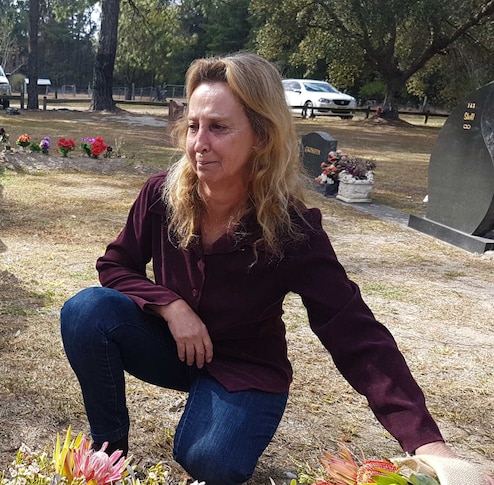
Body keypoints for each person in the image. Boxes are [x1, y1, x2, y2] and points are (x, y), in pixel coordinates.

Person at [59, 53, 490, 484]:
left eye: (219, 127)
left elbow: (356, 334)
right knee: (86, 311)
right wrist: (171, 306)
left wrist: (425, 441)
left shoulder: (293, 230)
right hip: (174, 347)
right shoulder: (160, 194)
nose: (199, 143)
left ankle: (219, 416)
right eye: (193, 125)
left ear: (261, 136)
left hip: (245, 369)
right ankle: (107, 454)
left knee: (210, 460)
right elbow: (115, 266)